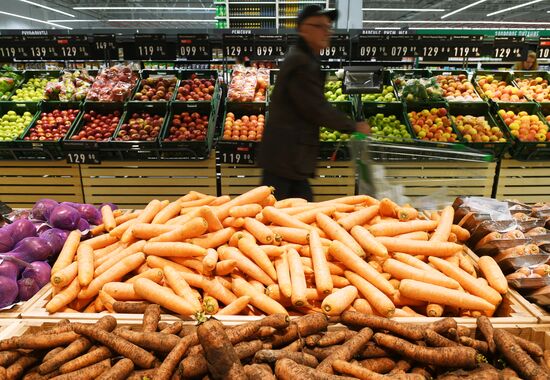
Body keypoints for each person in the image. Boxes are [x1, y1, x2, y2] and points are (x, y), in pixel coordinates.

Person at [258, 5, 369, 202]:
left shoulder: (304, 58)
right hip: (287, 156)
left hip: (289, 157)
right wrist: (353, 126)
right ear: (302, 29)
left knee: (291, 212)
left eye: (328, 27)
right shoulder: (301, 63)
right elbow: (316, 108)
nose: (327, 31)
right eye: (319, 26)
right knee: (277, 212)